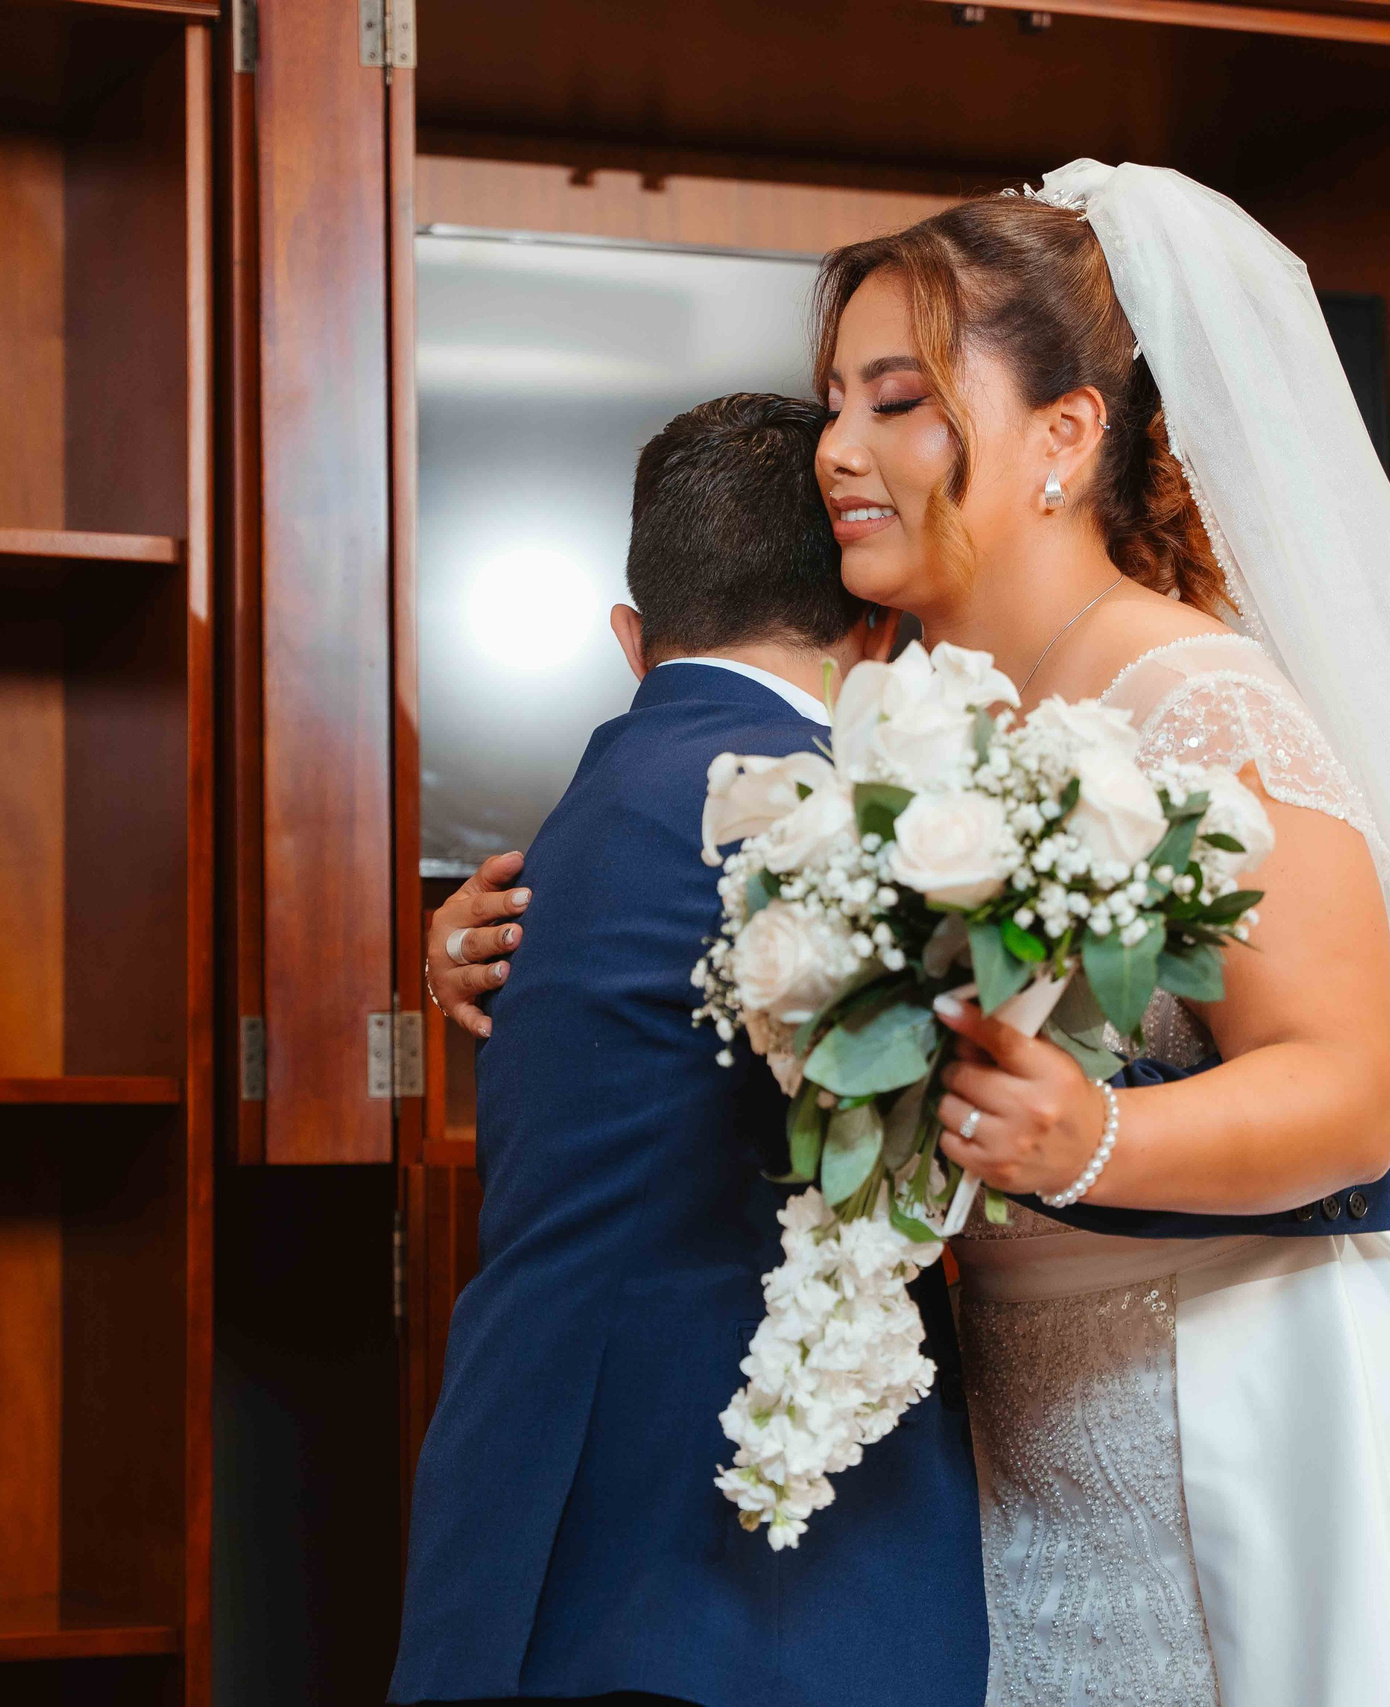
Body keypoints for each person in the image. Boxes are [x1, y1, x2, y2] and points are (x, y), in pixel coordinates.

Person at [436, 166, 1390, 1707]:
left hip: (1270, 1397)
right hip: (1036, 1411)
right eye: (837, 404)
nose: (836, 450)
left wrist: (1081, 1136)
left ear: (1067, 436)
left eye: (898, 402)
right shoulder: (903, 720)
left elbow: (1360, 1083)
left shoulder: (1188, 693)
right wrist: (502, 944)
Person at [388, 394, 982, 1707]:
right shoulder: (827, 823)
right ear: (879, 632)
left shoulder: (586, 822)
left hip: (546, 1528)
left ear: (628, 637)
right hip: (733, 1588)